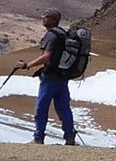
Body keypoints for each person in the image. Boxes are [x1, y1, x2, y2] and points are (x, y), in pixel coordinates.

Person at [16, 9, 77, 146]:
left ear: (54, 20)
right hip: (62, 77)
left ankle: (38, 138)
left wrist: (27, 65)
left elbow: (46, 56)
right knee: (63, 108)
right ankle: (70, 137)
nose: (43, 18)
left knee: (42, 107)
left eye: (46, 16)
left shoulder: (52, 35)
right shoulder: (63, 34)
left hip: (50, 77)